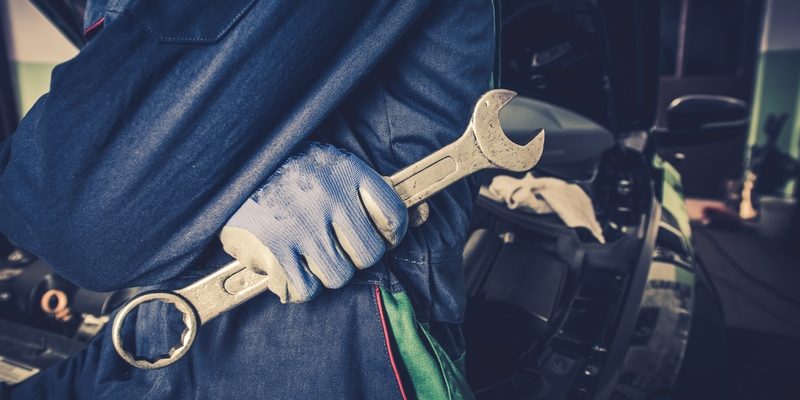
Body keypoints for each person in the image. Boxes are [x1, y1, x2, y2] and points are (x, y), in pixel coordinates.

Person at [0, 0, 494, 398]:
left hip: (342, 355)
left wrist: (197, 185)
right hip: (169, 341)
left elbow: (74, 215)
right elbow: (144, 333)